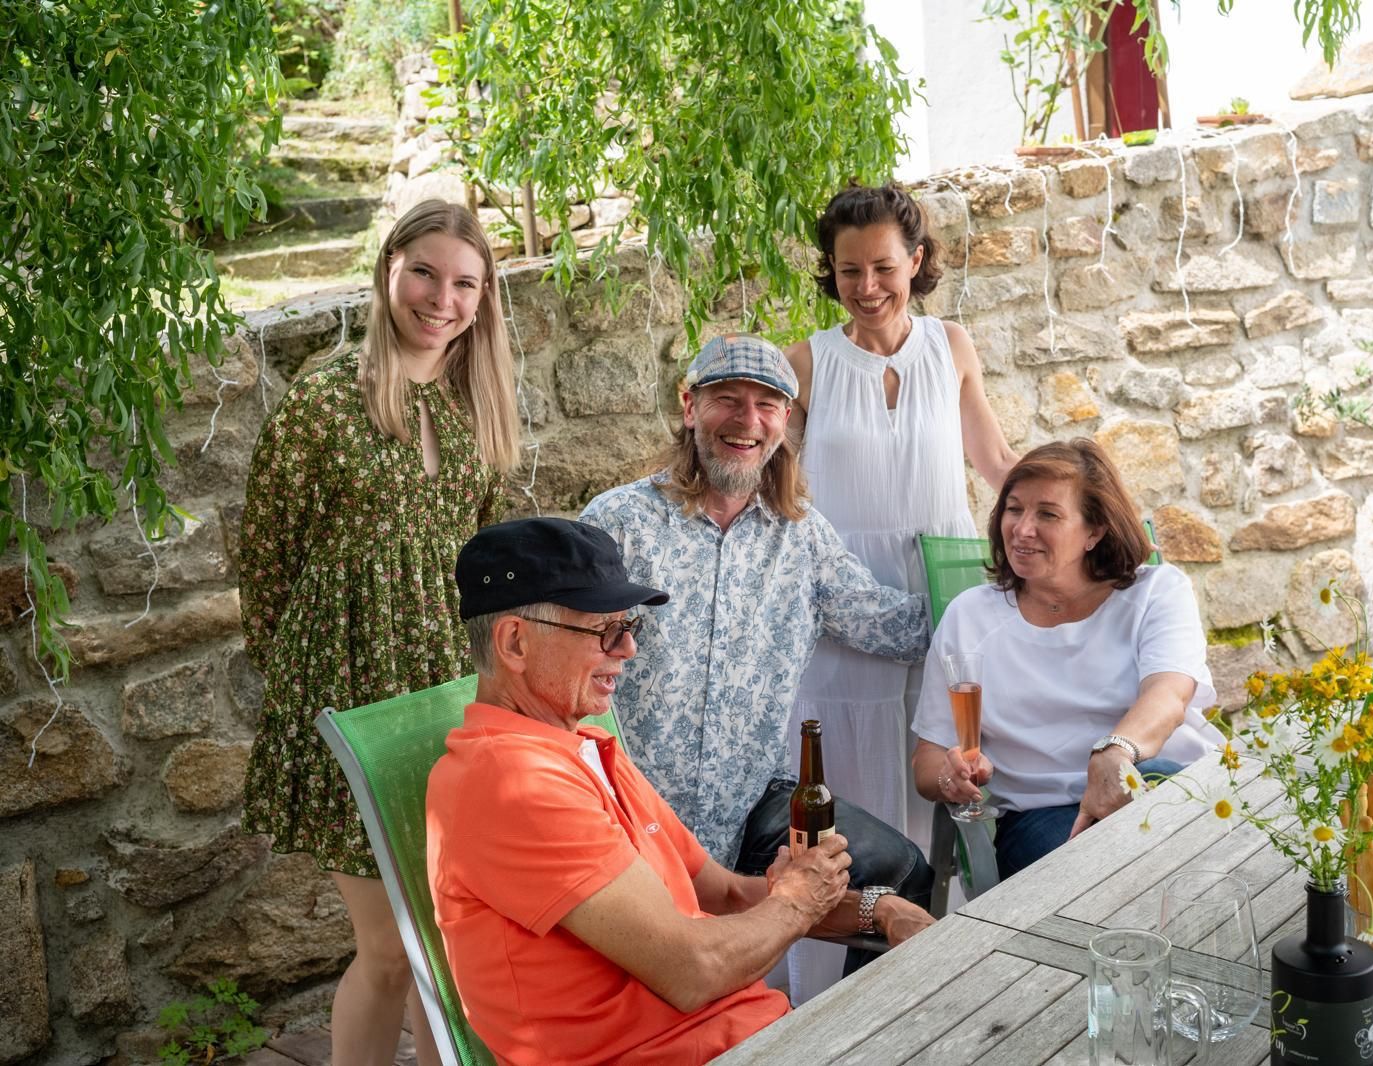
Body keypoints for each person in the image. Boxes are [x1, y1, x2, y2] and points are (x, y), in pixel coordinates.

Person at [427, 518, 934, 1064]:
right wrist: (797, 899)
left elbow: (729, 895)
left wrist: (879, 909)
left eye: (629, 627)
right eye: (604, 631)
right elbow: (695, 970)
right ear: (515, 642)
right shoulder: (511, 783)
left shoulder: (586, 748)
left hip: (747, 1035)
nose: (627, 650)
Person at [239, 199, 519, 1066]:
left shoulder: (482, 401)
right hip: (352, 697)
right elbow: (267, 560)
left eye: (465, 283)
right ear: (388, 268)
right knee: (391, 945)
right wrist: (308, 692)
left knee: (446, 937)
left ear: (484, 297)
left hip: (448, 697)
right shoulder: (323, 403)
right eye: (426, 273)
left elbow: (489, 550)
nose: (442, 299)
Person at [578, 334, 935, 943]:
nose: (748, 421)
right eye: (727, 399)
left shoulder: (801, 536)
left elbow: (892, 626)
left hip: (754, 804)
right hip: (633, 807)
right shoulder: (617, 523)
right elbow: (569, 655)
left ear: (785, 421)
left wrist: (1009, 598)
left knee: (900, 873)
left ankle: (869, 1034)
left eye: (767, 404)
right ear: (690, 407)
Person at [782, 181, 1020, 997]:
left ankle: (943, 984)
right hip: (842, 619)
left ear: (915, 262)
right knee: (845, 801)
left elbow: (995, 465)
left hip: (942, 605)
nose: (868, 285)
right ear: (833, 274)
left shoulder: (951, 347)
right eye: (850, 270)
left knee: (941, 787)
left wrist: (1079, 512)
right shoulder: (806, 364)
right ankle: (828, 999)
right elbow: (774, 490)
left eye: (884, 265)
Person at [910, 440, 1223, 880]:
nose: (1021, 529)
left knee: (1177, 838)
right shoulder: (971, 617)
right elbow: (928, 760)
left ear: (1094, 531)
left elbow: (1169, 695)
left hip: (1156, 777)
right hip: (1045, 817)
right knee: (1127, 871)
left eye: (1048, 515)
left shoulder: (1157, 592)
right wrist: (951, 778)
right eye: (1014, 509)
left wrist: (1113, 755)